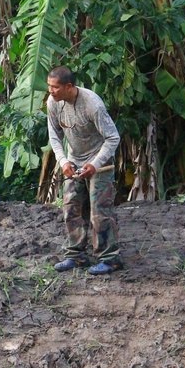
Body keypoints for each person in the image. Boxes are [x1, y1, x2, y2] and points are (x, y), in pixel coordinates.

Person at [46, 66, 123, 275]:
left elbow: (113, 137)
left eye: (55, 87)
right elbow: (54, 136)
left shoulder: (92, 104)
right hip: (74, 159)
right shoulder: (53, 103)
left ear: (69, 87)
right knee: (70, 207)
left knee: (100, 210)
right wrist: (63, 162)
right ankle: (76, 255)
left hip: (100, 161)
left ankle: (110, 259)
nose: (50, 91)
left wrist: (95, 165)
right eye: (49, 86)